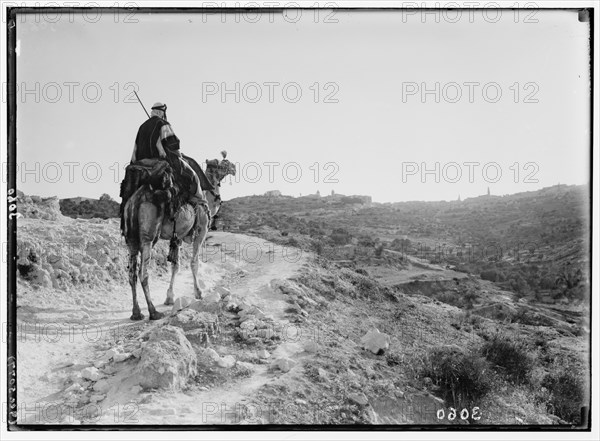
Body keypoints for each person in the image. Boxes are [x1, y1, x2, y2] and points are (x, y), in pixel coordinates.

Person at [131, 102, 205, 206]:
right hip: (159, 161)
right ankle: (198, 199)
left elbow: (135, 148)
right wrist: (178, 154)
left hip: (140, 163)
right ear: (160, 112)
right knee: (192, 174)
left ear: (153, 112)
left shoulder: (142, 127)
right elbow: (172, 144)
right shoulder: (163, 124)